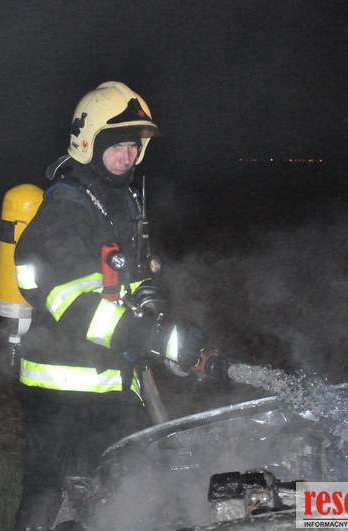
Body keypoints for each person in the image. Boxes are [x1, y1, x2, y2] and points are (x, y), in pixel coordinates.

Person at [12, 81, 206, 530]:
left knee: (121, 496)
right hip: (61, 388)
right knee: (49, 496)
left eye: (133, 147)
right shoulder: (67, 207)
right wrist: (154, 338)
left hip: (111, 380)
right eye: (117, 146)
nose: (127, 156)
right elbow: (75, 303)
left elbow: (125, 283)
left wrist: (156, 315)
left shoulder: (120, 200)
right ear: (89, 143)